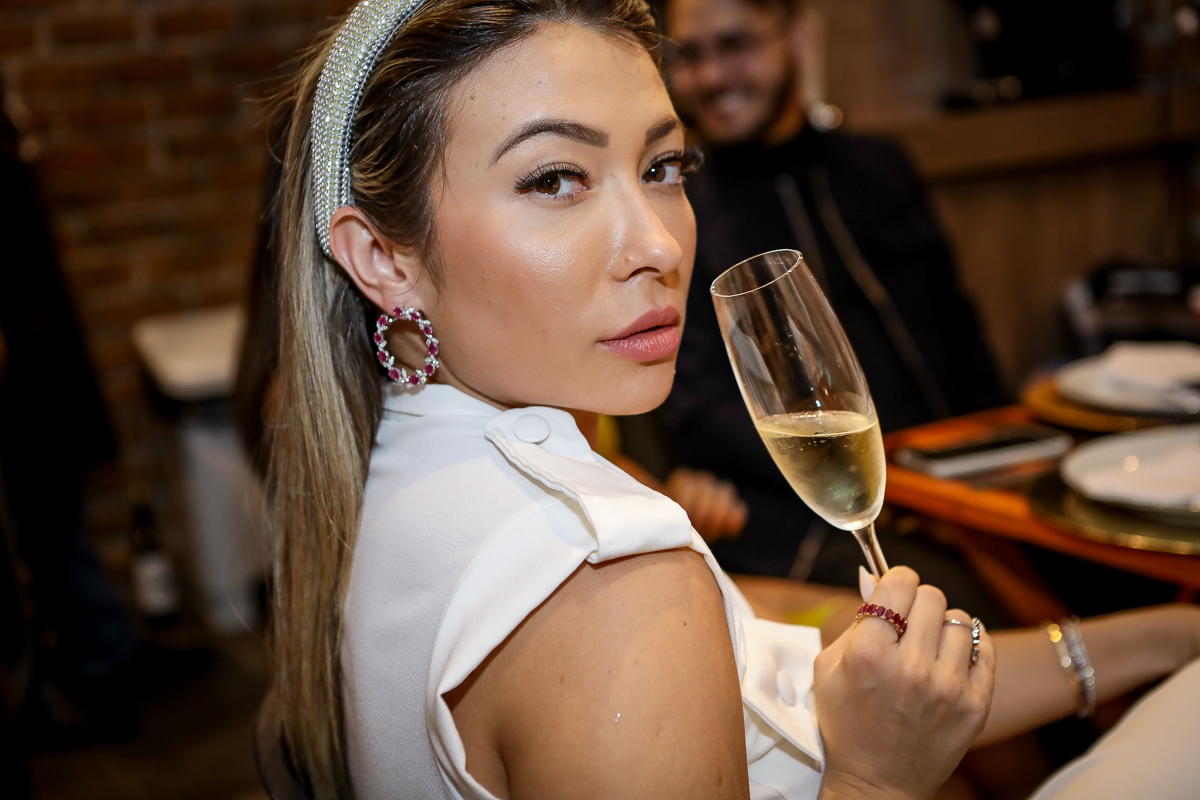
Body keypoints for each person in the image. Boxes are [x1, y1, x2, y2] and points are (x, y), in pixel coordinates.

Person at [261, 0, 1200, 798]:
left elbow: (777, 661)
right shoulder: (614, 584)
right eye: (555, 179)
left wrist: (1163, 636)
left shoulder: (394, 476)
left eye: (663, 168)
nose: (660, 244)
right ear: (383, 257)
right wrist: (878, 778)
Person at [658, 0, 1011, 593]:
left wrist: (1005, 446)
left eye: (736, 44)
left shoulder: (880, 169)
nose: (711, 77)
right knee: (956, 599)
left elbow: (959, 335)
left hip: (962, 481)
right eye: (690, 56)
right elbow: (696, 406)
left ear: (800, 37)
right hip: (812, 517)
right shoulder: (683, 213)